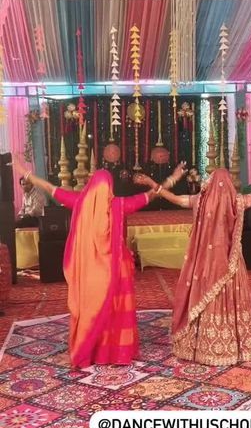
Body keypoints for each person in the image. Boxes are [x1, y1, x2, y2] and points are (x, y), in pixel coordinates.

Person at [12, 157, 186, 368]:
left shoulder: (79, 202)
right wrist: (172, 178)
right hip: (117, 268)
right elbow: (151, 195)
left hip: (90, 271)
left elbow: (50, 188)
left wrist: (26, 173)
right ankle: (114, 351)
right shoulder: (119, 205)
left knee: (92, 310)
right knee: (116, 311)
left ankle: (92, 349)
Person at [135, 168, 251, 365]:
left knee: (204, 293)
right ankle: (234, 344)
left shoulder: (200, 200)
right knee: (230, 294)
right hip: (230, 261)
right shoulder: (237, 201)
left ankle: (202, 345)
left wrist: (152, 183)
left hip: (205, 259)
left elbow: (175, 199)